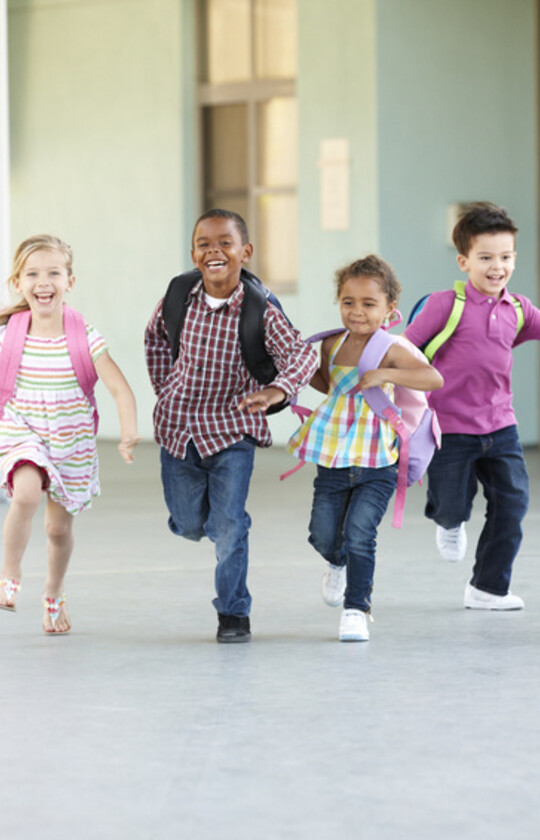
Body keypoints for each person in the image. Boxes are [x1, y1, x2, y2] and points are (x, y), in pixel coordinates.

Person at [144, 208, 318, 643]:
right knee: (187, 524)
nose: (214, 251)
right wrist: (165, 388)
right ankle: (213, 527)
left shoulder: (260, 310)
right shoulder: (179, 296)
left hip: (231, 432)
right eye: (204, 244)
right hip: (178, 429)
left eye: (225, 243)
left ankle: (233, 613)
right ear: (193, 253)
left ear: (246, 251)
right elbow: (155, 339)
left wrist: (278, 391)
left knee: (229, 525)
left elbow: (303, 355)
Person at [287, 255, 443, 642]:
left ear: (390, 309)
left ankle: (357, 609)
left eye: (369, 304)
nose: (357, 311)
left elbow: (433, 378)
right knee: (323, 534)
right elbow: (326, 384)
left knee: (360, 531)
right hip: (334, 455)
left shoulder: (391, 347)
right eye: (348, 302)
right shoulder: (331, 345)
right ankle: (336, 562)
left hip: (378, 458)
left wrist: (388, 373)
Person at [0, 234, 140, 633]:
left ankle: (53, 593)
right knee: (25, 494)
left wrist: (128, 433)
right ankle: (8, 574)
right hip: (22, 431)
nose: (43, 281)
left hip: (70, 442)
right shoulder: (9, 334)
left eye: (53, 273)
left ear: (69, 282)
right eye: (32, 274)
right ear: (17, 282)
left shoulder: (84, 336)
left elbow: (119, 389)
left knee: (57, 530)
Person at [404, 201, 540, 610]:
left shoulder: (518, 308)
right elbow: (406, 348)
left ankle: (487, 588)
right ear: (464, 261)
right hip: (450, 427)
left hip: (501, 426)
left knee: (513, 505)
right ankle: (447, 521)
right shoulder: (447, 304)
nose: (497, 266)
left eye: (505, 257)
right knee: (452, 504)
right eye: (485, 257)